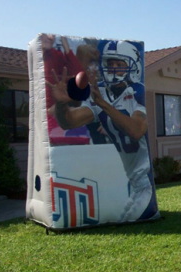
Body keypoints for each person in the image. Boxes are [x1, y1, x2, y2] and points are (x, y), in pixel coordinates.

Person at [47, 40, 158, 222]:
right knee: (125, 221)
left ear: (133, 66)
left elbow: (137, 130)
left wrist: (103, 105)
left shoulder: (136, 91)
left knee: (130, 223)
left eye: (119, 64)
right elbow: (69, 122)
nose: (113, 68)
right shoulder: (102, 93)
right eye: (110, 64)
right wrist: (61, 103)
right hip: (130, 182)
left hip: (144, 183)